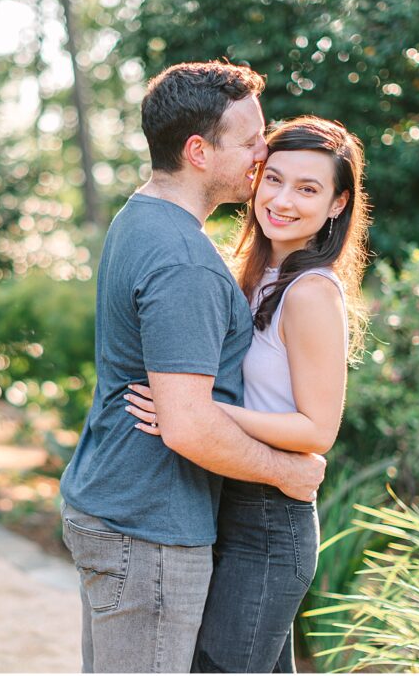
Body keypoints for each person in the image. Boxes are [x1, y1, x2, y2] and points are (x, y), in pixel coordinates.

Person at [58, 63, 329, 673]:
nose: (265, 150)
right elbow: (187, 427)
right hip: (149, 527)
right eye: (252, 140)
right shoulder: (185, 261)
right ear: (198, 151)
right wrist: (289, 472)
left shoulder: (139, 219)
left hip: (118, 506)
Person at [124, 116, 371, 672]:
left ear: (337, 204)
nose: (282, 200)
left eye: (308, 189)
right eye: (274, 179)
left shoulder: (311, 292)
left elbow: (317, 430)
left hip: (269, 522)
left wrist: (202, 414)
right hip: (226, 502)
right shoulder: (249, 273)